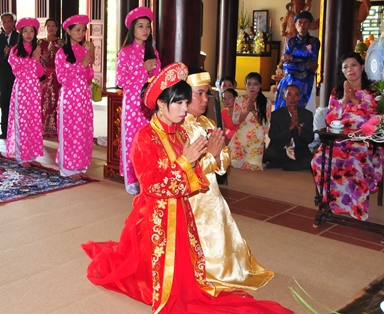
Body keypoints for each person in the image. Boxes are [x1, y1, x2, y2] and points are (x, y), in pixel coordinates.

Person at [81, 63, 291, 314]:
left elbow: (196, 179)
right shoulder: (145, 138)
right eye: (178, 103)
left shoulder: (180, 134)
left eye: (185, 102)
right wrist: (186, 161)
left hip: (181, 212)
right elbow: (153, 186)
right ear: (161, 103)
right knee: (160, 285)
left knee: (189, 279)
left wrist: (207, 158)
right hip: (155, 218)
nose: (184, 109)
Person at [184, 70, 274, 292]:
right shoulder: (179, 127)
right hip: (191, 194)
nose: (205, 99)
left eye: (206, 94)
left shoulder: (207, 122)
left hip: (212, 192)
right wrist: (210, 157)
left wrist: (216, 156)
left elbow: (225, 155)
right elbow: (183, 168)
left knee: (220, 232)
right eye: (199, 94)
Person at [311, 52, 382, 221]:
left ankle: (356, 208)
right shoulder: (337, 91)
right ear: (342, 71)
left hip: (366, 142)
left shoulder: (373, 91)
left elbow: (376, 118)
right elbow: (330, 119)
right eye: (345, 67)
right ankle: (330, 204)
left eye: (354, 65)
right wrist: (344, 99)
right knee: (318, 160)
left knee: (354, 163)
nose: (350, 69)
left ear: (362, 67)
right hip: (340, 140)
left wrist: (355, 100)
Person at [115, 6, 160, 195]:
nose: (145, 30)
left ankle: (149, 179)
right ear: (132, 28)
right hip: (133, 104)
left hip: (150, 104)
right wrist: (143, 69)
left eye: (148, 26)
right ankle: (133, 181)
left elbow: (157, 79)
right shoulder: (125, 52)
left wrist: (151, 71)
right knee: (133, 141)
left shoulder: (153, 52)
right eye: (140, 26)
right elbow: (120, 81)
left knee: (150, 141)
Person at [55, 14, 94, 180]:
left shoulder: (84, 50)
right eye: (77, 30)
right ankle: (67, 168)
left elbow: (89, 76)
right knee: (70, 131)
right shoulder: (62, 52)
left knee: (83, 130)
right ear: (69, 31)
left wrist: (89, 62)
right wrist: (81, 66)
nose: (81, 33)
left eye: (83, 30)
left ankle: (80, 165)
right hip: (70, 97)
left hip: (83, 96)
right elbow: (62, 78)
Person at [6, 17, 44, 166]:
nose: (29, 34)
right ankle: (22, 156)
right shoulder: (15, 50)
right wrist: (33, 60)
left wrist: (36, 60)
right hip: (21, 89)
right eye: (25, 31)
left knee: (33, 122)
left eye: (31, 31)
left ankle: (32, 155)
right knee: (21, 122)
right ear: (20, 33)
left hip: (34, 89)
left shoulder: (36, 50)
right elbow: (19, 72)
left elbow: (40, 73)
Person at [274, 11, 320, 113]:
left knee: (300, 82)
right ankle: (283, 115)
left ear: (309, 24)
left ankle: (300, 116)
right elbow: (286, 63)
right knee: (285, 83)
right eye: (300, 22)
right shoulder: (290, 41)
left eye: (306, 22)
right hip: (291, 74)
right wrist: (305, 63)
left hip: (307, 76)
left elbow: (313, 64)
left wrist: (292, 58)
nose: (302, 25)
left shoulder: (314, 41)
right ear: (295, 25)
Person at [264, 84, 314, 171]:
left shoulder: (307, 114)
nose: (293, 98)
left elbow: (310, 138)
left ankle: (283, 164)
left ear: (299, 98)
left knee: (314, 159)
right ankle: (288, 164)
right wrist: (290, 128)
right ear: (284, 97)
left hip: (299, 150)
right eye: (289, 94)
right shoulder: (276, 114)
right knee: (271, 154)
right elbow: (273, 136)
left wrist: (299, 128)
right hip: (280, 149)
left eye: (296, 95)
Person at [230, 72, 272, 170]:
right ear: (246, 85)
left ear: (260, 85)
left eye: (255, 84)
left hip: (257, 135)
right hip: (242, 133)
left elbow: (265, 124)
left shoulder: (266, 101)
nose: (252, 87)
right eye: (249, 84)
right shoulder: (239, 100)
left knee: (253, 166)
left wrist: (253, 110)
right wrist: (246, 110)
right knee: (234, 163)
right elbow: (235, 121)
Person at [0, 12, 19, 139]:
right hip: (3, 73)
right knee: (4, 101)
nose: (7, 24)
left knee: (17, 102)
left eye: (9, 21)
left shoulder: (19, 37)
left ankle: (17, 130)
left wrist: (12, 54)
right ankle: (5, 131)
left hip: (16, 74)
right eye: (4, 22)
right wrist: (4, 54)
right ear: (2, 24)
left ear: (14, 23)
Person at [38, 18, 62, 137]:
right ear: (45, 28)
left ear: (57, 28)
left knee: (56, 101)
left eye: (53, 26)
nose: (51, 28)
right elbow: (37, 60)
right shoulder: (40, 42)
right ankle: (43, 127)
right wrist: (45, 56)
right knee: (44, 101)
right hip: (45, 75)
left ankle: (55, 128)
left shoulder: (61, 43)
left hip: (58, 75)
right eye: (49, 26)